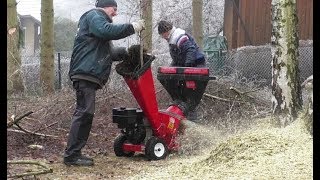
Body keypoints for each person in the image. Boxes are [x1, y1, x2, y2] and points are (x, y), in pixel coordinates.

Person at [63, 0, 145, 166]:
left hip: (87, 73)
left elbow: (110, 52)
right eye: (114, 9)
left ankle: (73, 153)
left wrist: (127, 53)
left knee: (85, 112)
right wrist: (132, 27)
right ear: (105, 7)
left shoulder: (97, 23)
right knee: (84, 112)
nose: (115, 13)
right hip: (85, 72)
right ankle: (72, 155)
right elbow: (106, 31)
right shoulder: (95, 16)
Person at [157, 20, 206, 121]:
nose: (163, 37)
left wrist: (187, 67)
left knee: (190, 96)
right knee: (169, 79)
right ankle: (183, 107)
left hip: (196, 65)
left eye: (163, 34)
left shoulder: (178, 37)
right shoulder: (172, 39)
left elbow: (190, 50)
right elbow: (177, 59)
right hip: (189, 65)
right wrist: (170, 70)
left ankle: (191, 116)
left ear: (167, 31)